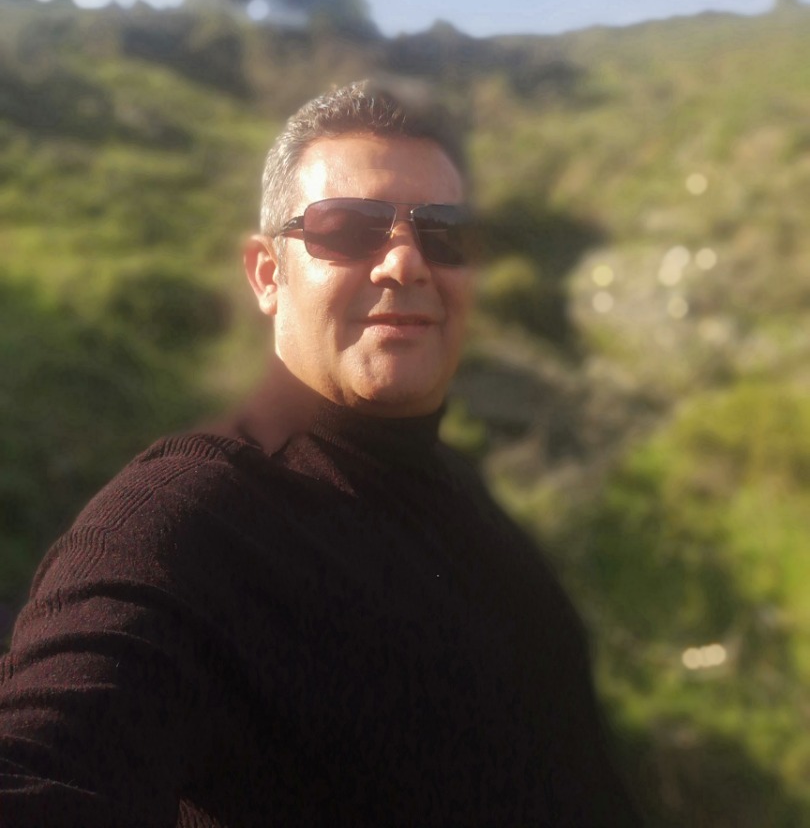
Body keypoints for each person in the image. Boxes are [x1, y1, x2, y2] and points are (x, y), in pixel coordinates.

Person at [0, 80, 641, 826]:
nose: (405, 263)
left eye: (444, 233)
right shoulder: (183, 522)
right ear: (267, 274)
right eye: (348, 228)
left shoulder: (463, 495)